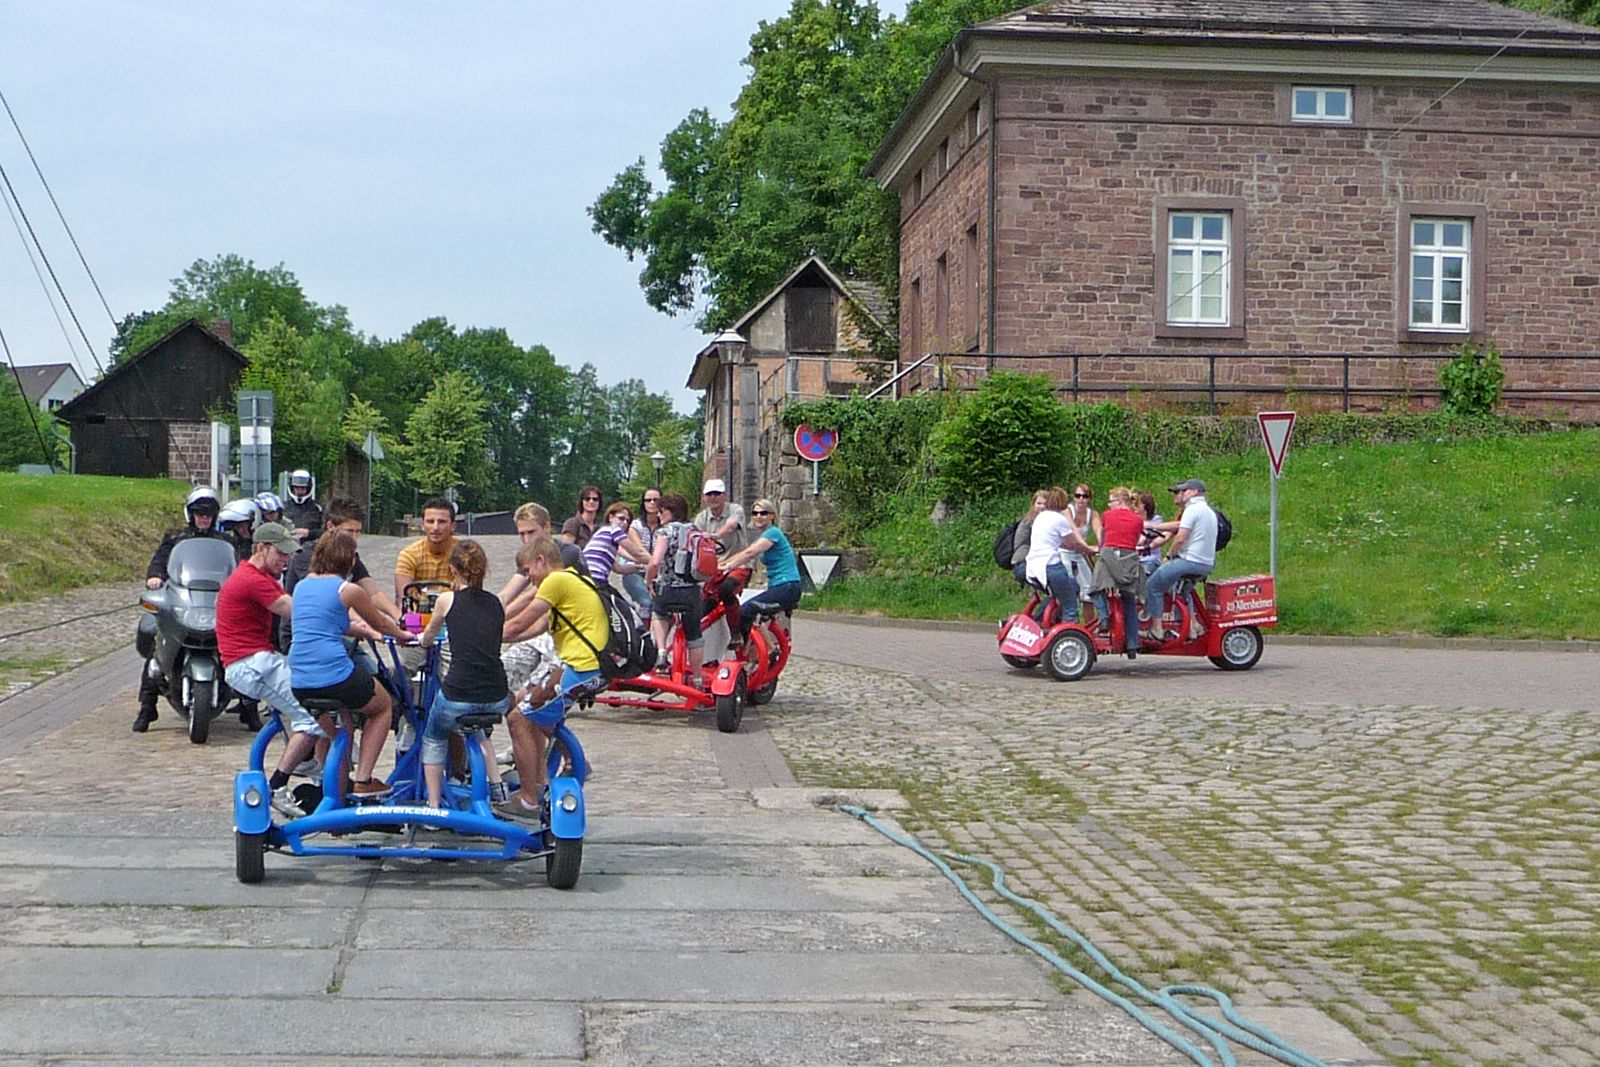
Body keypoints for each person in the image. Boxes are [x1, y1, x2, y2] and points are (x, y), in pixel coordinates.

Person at [289, 529, 415, 797]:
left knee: (342, 728)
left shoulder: (302, 587)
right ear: (350, 559)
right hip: (333, 675)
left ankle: (335, 793)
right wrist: (403, 634)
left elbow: (332, 623)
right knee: (382, 707)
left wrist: (365, 633)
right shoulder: (348, 590)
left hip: (300, 680)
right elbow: (379, 621)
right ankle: (364, 779)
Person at [217, 522, 330, 813]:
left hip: (259, 660)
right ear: (261, 548)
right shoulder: (252, 580)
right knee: (311, 718)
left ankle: (317, 769)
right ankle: (278, 785)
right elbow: (295, 610)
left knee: (317, 702)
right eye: (280, 553)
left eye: (288, 554)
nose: (286, 560)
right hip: (252, 664)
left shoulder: (260, 575)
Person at [498, 535, 610, 819]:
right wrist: (496, 635)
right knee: (528, 708)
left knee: (517, 719)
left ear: (541, 560)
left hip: (580, 668)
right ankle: (538, 784)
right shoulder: (575, 579)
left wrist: (483, 632)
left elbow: (523, 618)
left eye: (528, 571)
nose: (529, 579)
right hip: (584, 666)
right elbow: (534, 627)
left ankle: (528, 800)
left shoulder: (556, 581)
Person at [416, 540, 510, 808]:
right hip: (497, 694)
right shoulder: (496, 602)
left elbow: (428, 637)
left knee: (434, 736)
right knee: (479, 731)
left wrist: (422, 638)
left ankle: (433, 805)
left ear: (452, 570)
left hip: (460, 692)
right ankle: (497, 787)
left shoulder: (447, 600)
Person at [134, 485, 228, 732]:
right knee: (156, 640)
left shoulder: (227, 542)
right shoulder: (175, 539)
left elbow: (237, 566)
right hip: (184, 601)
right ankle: (147, 707)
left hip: (215, 602)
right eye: (199, 512)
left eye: (208, 513)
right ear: (191, 513)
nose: (204, 517)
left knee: (245, 642)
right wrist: (155, 576)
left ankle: (249, 709)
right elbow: (159, 561)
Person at [280, 497, 401, 652]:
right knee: (359, 672)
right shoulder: (307, 556)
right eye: (349, 531)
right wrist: (367, 624)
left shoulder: (351, 557)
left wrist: (398, 617)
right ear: (331, 527)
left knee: (375, 671)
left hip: (335, 633)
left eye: (358, 532)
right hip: (301, 639)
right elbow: (329, 601)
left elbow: (374, 593)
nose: (354, 538)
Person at [1143, 478, 1219, 643]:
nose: (1177, 495)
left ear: (1193, 492)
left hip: (1190, 561)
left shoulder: (1192, 509)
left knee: (1153, 585)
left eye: (1180, 491)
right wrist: (1151, 526)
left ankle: (1156, 630)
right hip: (1206, 563)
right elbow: (1177, 526)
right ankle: (1193, 626)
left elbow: (1180, 538)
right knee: (1183, 592)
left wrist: (1169, 557)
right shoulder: (1207, 510)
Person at [717, 498, 801, 643]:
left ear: (772, 516)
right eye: (755, 513)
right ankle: (764, 651)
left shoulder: (773, 533)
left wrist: (728, 567)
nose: (758, 516)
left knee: (746, 610)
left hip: (787, 586)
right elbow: (745, 552)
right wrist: (721, 564)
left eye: (763, 513)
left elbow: (750, 553)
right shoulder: (764, 536)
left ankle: (750, 647)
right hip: (780, 585)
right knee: (756, 614)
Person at [646, 493, 706, 681]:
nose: (658, 515)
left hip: (668, 589)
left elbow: (655, 561)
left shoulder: (664, 532)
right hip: (692, 590)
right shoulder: (694, 530)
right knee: (694, 634)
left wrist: (649, 580)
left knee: (658, 612)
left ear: (669, 512)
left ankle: (662, 652)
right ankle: (697, 678)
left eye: (661, 511)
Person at [1023, 487, 1097, 623]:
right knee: (1071, 606)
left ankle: (1050, 621)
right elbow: (1072, 544)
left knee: (1074, 587)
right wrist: (1090, 550)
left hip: (1034, 566)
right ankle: (1070, 631)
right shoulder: (1059, 520)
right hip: (1051, 566)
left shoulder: (1041, 517)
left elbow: (1060, 542)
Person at [1088, 487, 1147, 658]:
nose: (1109, 504)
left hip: (1109, 557)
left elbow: (1103, 538)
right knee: (1129, 600)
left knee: (1095, 589)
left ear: (1119, 502)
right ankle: (1132, 644)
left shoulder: (1107, 515)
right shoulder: (1138, 520)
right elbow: (1134, 540)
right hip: (1129, 560)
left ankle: (1104, 617)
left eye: (1111, 501)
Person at [694, 478, 750, 648]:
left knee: (726, 589)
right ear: (704, 498)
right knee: (700, 605)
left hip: (737, 565)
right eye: (709, 494)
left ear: (724, 495)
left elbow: (732, 526)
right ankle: (697, 645)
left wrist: (715, 536)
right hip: (713, 570)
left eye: (717, 494)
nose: (713, 497)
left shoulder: (735, 510)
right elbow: (694, 538)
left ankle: (737, 632)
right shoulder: (701, 518)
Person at [394, 497, 456, 606]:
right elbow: (403, 597)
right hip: (418, 615)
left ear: (453, 526)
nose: (435, 527)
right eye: (430, 521)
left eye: (442, 522)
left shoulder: (464, 554)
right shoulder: (409, 554)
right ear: (422, 525)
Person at [582, 501, 650, 585]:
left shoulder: (604, 537)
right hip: (595, 579)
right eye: (621, 518)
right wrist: (656, 562)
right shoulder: (613, 530)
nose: (625, 523)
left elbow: (619, 569)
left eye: (627, 521)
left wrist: (640, 567)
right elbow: (637, 553)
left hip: (584, 578)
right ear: (610, 518)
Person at [622, 488, 663, 614]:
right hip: (636, 571)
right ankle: (644, 631)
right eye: (648, 500)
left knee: (665, 608)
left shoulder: (667, 527)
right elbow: (639, 552)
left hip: (661, 574)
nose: (652, 503)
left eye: (655, 500)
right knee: (647, 603)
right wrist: (652, 567)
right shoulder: (635, 526)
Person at [1063, 483, 1101, 604]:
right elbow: (1073, 530)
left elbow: (1098, 530)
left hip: (1080, 553)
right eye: (1077, 496)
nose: (1081, 499)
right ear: (1073, 498)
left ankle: (1088, 622)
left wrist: (1102, 545)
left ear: (1089, 499)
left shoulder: (1092, 514)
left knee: (1089, 592)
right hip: (1064, 551)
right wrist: (1086, 547)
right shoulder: (1067, 511)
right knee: (1067, 590)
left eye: (1085, 496)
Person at [1011, 490, 1049, 588]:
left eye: (1045, 504)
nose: (1042, 507)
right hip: (1023, 563)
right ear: (1033, 504)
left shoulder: (1044, 520)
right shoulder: (1030, 521)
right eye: (1039, 503)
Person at [281, 470, 324, 543]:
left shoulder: (318, 509)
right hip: (287, 547)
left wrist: (309, 533)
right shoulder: (282, 508)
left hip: (312, 548)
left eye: (303, 488)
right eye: (297, 488)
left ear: (308, 488)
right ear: (292, 488)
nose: (300, 492)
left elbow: (327, 530)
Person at [1136, 489, 1169, 577]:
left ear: (1143, 506)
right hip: (1133, 559)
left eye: (1136, 504)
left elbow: (1143, 539)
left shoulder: (1156, 520)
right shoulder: (1133, 519)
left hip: (1149, 559)